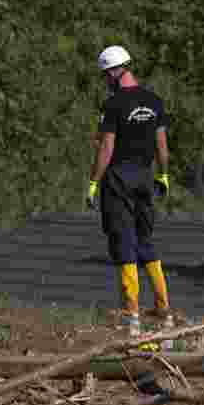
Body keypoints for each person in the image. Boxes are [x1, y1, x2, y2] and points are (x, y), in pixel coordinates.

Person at [86, 45, 172, 337]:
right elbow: (162, 146)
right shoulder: (154, 101)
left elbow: (107, 147)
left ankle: (131, 318)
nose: (105, 81)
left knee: (124, 244)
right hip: (146, 178)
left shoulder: (113, 104)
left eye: (104, 75)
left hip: (119, 180)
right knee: (146, 242)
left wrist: (93, 181)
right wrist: (163, 175)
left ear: (113, 72)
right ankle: (164, 312)